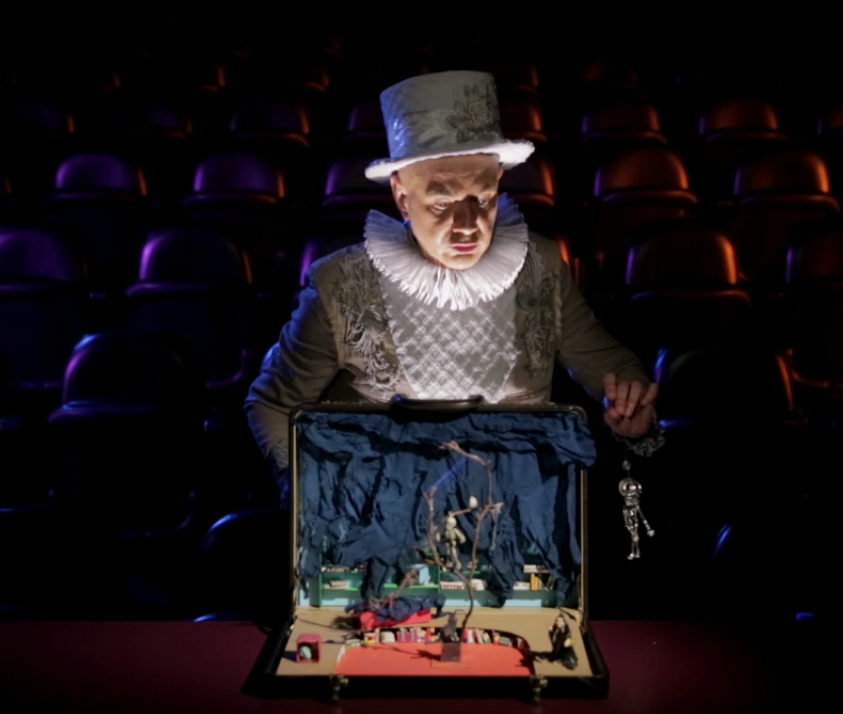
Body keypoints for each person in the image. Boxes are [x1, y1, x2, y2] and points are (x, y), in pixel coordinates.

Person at [245, 70, 657, 484]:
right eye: (442, 203)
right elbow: (272, 404)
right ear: (402, 197)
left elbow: (612, 365)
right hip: (383, 513)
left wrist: (629, 402)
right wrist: (315, 497)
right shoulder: (339, 284)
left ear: (499, 182)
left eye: (483, 198)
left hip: (515, 509)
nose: (468, 225)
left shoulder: (541, 266)